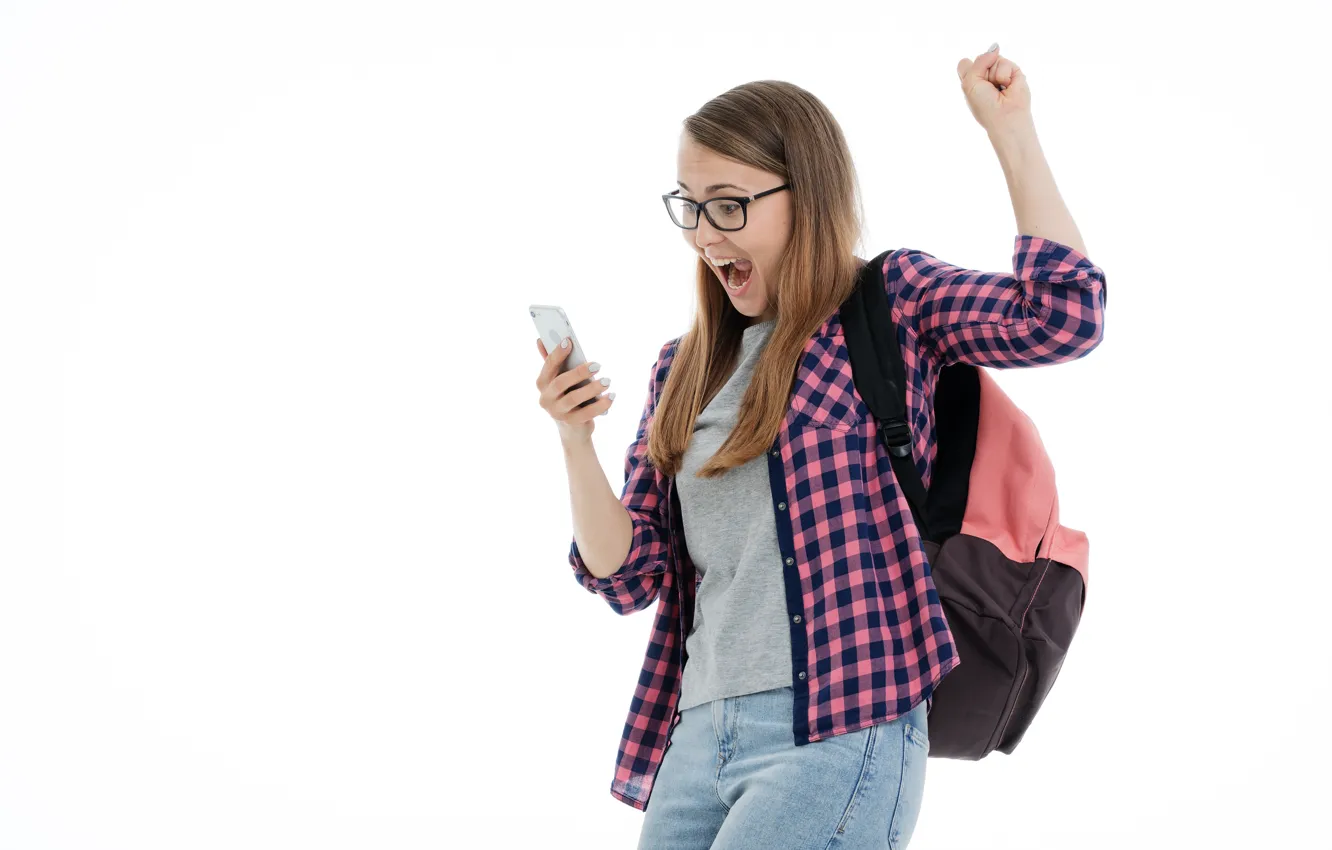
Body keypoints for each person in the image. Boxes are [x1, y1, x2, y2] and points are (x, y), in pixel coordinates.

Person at [535, 45, 1106, 850]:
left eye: (729, 205)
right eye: (690, 205)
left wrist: (1010, 131)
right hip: (696, 736)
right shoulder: (683, 368)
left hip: (844, 720)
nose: (703, 233)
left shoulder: (891, 302)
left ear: (805, 197)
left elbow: (1064, 314)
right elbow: (628, 576)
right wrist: (574, 438)